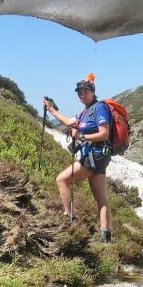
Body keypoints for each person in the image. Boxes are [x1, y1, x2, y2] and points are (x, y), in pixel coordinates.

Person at [43, 73, 113, 243]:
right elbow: (68, 121)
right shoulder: (84, 112)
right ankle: (106, 238)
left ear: (92, 92)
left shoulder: (99, 108)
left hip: (94, 157)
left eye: (85, 92)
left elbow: (104, 134)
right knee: (101, 198)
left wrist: (81, 136)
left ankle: (71, 219)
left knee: (62, 180)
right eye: (79, 92)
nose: (82, 95)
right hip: (98, 157)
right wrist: (52, 108)